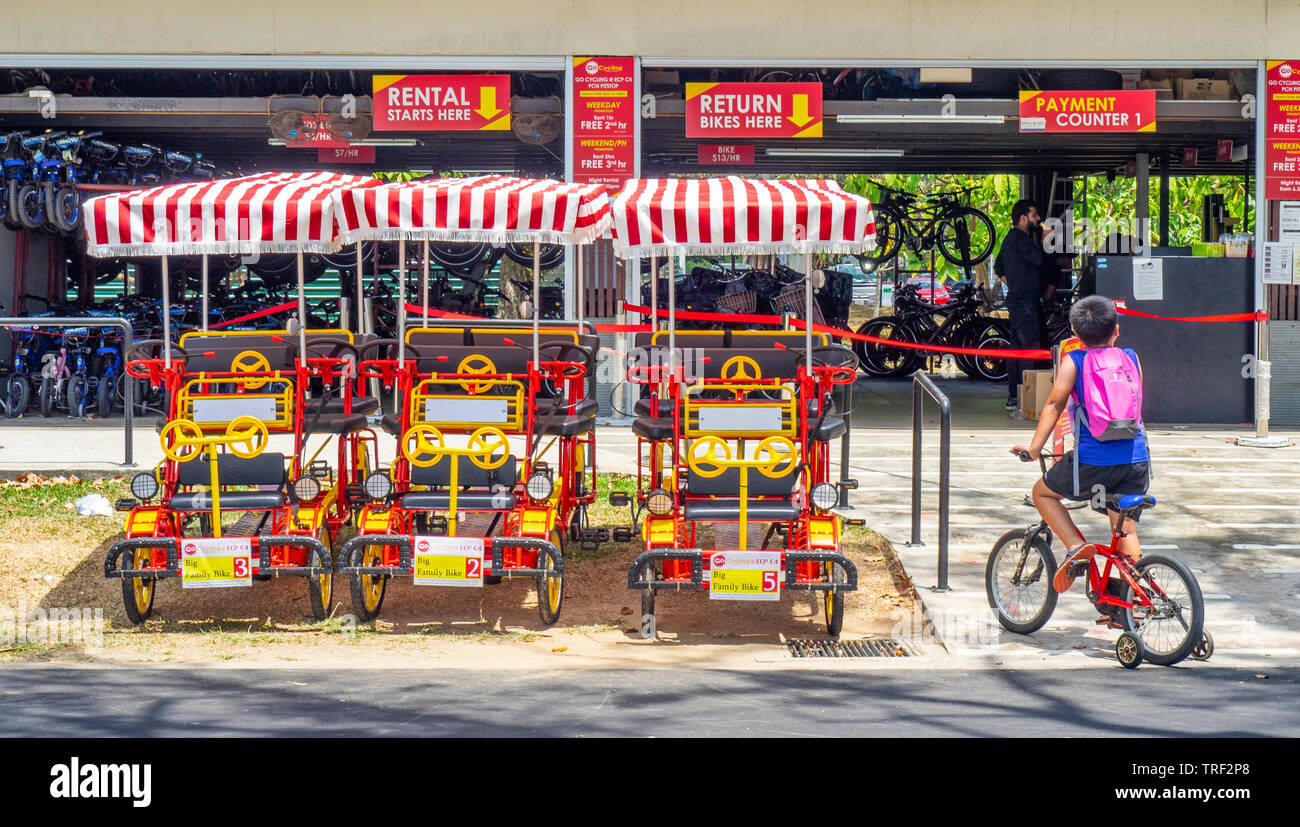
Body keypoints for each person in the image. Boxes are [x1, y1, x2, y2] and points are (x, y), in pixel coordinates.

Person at [1011, 295, 1149, 603]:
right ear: (1116, 328)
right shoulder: (1131, 357)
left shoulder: (1075, 361)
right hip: (1136, 459)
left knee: (1043, 494)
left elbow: (1054, 404)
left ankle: (1076, 546)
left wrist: (1035, 449)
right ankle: (1136, 601)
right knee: (1125, 530)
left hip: (1092, 461)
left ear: (1075, 332)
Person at [993, 200, 1052, 414]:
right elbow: (1038, 259)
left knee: (1017, 349)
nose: (1038, 220)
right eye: (1035, 216)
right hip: (1026, 302)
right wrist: (1045, 239)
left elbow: (997, 266)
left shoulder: (1009, 240)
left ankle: (1014, 396)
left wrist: (1014, 282)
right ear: (1023, 218)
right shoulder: (1020, 239)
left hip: (1017, 301)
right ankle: (1029, 397)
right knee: (1031, 349)